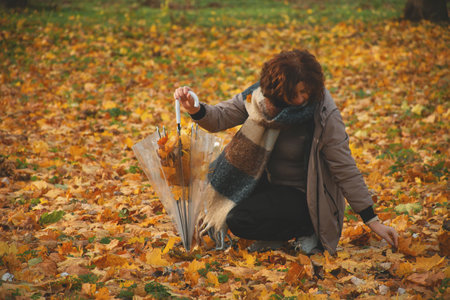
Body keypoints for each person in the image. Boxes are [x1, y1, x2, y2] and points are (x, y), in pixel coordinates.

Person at [173, 49, 398, 255]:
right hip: (268, 184)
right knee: (230, 207)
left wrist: (372, 219)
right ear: (279, 91)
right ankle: (275, 234)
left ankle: (306, 229)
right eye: (295, 93)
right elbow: (220, 117)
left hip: (305, 196)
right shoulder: (259, 99)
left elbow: (344, 167)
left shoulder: (323, 114)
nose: (302, 99)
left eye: (306, 91)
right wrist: (196, 108)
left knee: (239, 218)